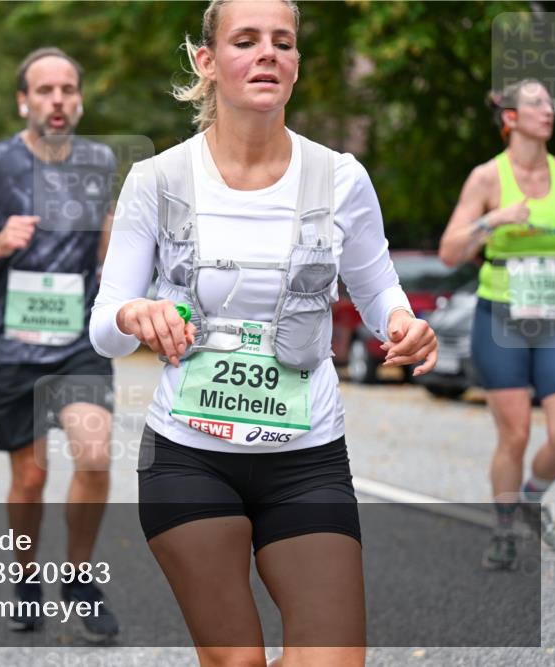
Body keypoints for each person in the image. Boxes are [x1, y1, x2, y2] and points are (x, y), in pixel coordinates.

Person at [89, 1, 438, 664]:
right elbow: (105, 325)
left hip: (307, 457)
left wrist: (403, 324)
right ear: (207, 61)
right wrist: (136, 314)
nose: (267, 53)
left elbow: (378, 289)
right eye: (245, 40)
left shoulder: (340, 178)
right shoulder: (157, 181)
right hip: (189, 454)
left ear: (297, 63)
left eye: (283, 42)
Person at [0, 47, 120, 640]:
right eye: (45, 90)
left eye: (67, 89)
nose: (57, 100)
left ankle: (79, 579)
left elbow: (110, 240)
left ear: (79, 100)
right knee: (31, 477)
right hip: (11, 343)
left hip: (77, 339)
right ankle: (24, 577)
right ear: (24, 100)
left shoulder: (99, 162)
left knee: (94, 451)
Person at [438, 78, 555, 569]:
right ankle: (505, 526)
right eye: (535, 103)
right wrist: (495, 220)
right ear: (510, 117)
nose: (548, 109)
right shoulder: (487, 178)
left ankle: (531, 497)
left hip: (554, 319)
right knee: (513, 435)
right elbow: (450, 251)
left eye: (550, 101)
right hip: (502, 319)